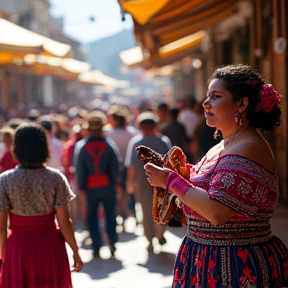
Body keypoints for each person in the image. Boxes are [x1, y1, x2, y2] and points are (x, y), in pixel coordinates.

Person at [144, 64, 288, 287]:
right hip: (206, 257)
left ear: (242, 104)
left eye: (216, 96)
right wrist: (180, 172)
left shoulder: (249, 146)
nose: (205, 102)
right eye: (207, 95)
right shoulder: (223, 145)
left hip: (236, 265)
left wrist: (170, 180)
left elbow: (217, 211)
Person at [0, 123, 83, 288]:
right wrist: (75, 251)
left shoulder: (5, 180)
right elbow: (65, 222)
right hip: (50, 247)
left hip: (18, 248)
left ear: (16, 148)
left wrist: (2, 256)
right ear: (44, 148)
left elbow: (1, 228)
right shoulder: (56, 178)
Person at [76, 110, 122, 258]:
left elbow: (80, 171)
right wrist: (117, 184)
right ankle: (112, 243)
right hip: (108, 186)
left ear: (88, 129)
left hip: (90, 188)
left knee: (92, 217)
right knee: (110, 215)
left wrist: (81, 189)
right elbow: (116, 167)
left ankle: (96, 246)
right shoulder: (109, 145)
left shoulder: (82, 147)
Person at [125, 111, 172, 253]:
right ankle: (159, 233)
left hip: (143, 179)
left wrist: (130, 182)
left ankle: (150, 239)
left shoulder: (136, 142)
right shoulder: (163, 141)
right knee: (162, 207)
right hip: (162, 179)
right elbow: (170, 162)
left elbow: (132, 165)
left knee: (146, 209)